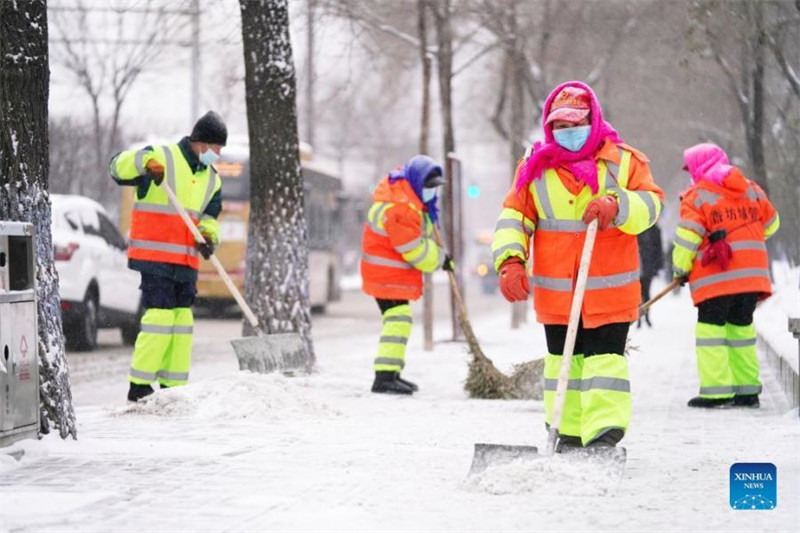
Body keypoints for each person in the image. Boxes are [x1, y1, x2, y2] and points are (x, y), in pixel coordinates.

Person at [491, 81, 664, 450]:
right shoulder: (534, 168)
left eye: (577, 124)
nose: (570, 133)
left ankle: (604, 432)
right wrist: (510, 261)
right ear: (550, 127)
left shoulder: (626, 162)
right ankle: (566, 432)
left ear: (594, 119)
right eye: (561, 127)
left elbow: (652, 207)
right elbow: (513, 218)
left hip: (610, 291)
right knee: (562, 363)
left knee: (604, 361)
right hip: (557, 294)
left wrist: (617, 205)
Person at [110, 111, 226, 402]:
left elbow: (210, 217)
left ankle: (173, 387)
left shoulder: (212, 180)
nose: (217, 155)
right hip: (154, 255)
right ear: (200, 143)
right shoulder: (162, 156)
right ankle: (140, 385)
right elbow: (117, 166)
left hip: (186, 259)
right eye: (215, 149)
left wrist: (210, 237)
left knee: (182, 321)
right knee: (159, 318)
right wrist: (145, 164)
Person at [672, 143, 779, 409]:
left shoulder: (698, 196)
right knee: (741, 332)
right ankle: (747, 391)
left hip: (716, 279)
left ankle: (717, 392)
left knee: (711, 333)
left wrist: (680, 269)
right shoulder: (752, 189)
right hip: (751, 279)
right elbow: (772, 224)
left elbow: (688, 238)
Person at [360, 155, 453, 395]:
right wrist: (440, 258)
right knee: (398, 320)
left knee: (398, 320)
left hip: (387, 275)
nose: (432, 192)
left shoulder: (406, 201)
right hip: (385, 276)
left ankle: (391, 374)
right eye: (429, 187)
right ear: (417, 183)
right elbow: (413, 249)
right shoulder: (400, 208)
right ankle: (384, 377)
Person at [637, 223, 664, 327]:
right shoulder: (638, 228)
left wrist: (658, 266)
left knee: (646, 292)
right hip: (639, 266)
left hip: (648, 267)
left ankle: (646, 316)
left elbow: (658, 250)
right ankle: (639, 317)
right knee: (639, 294)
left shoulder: (655, 230)